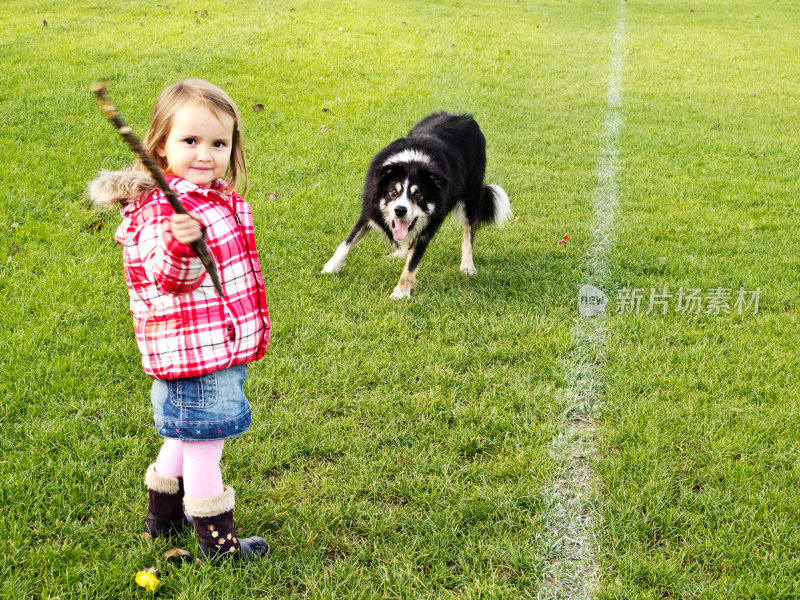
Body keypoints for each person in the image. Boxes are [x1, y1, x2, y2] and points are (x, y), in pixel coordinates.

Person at [88, 79, 271, 561]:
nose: (206, 154)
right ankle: (219, 544)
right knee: (205, 445)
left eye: (219, 142)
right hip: (196, 357)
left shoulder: (214, 197)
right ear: (160, 145)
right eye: (190, 141)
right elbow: (169, 277)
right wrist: (179, 242)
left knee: (183, 434)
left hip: (211, 346)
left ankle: (161, 519)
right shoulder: (159, 212)